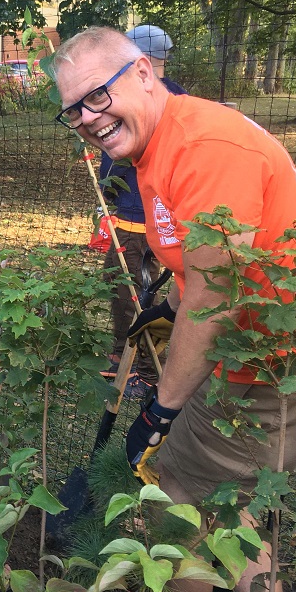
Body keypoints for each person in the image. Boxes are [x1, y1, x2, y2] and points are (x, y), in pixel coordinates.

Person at [53, 26, 296, 592]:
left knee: (179, 499)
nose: (90, 118)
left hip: (292, 366)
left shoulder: (206, 148)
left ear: (145, 72)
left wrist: (160, 411)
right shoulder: (158, 149)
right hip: (252, 360)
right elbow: (196, 279)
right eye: (74, 110)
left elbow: (218, 294)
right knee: (211, 504)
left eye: (100, 95)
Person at [99, 25, 187, 399]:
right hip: (131, 213)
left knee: (141, 291)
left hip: (148, 216)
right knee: (126, 285)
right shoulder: (135, 95)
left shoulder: (160, 100)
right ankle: (125, 354)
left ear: (144, 61)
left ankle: (148, 368)